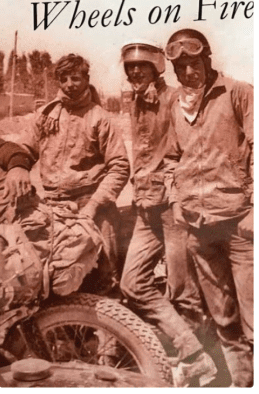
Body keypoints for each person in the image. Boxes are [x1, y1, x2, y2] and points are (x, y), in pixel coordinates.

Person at [116, 40, 215, 387]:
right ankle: (192, 352)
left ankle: (200, 366)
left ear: (158, 68)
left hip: (174, 208)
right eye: (130, 68)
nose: (134, 73)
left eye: (141, 67)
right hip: (146, 207)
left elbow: (196, 147)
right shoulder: (133, 101)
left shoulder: (176, 98)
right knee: (132, 283)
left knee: (183, 290)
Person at [163, 28, 253, 387]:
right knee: (223, 315)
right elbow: (172, 159)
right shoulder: (176, 104)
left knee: (253, 313)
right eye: (180, 67)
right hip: (199, 227)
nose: (188, 73)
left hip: (238, 225)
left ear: (207, 60)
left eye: (194, 63)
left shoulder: (238, 93)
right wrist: (175, 200)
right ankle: (242, 382)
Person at [14, 53, 130, 293]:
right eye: (64, 79)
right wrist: (18, 167)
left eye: (75, 78)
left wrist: (93, 207)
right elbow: (24, 147)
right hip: (52, 206)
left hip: (92, 206)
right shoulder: (46, 115)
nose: (69, 85)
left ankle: (108, 327)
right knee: (47, 273)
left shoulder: (100, 118)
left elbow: (120, 167)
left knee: (104, 274)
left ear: (86, 79)